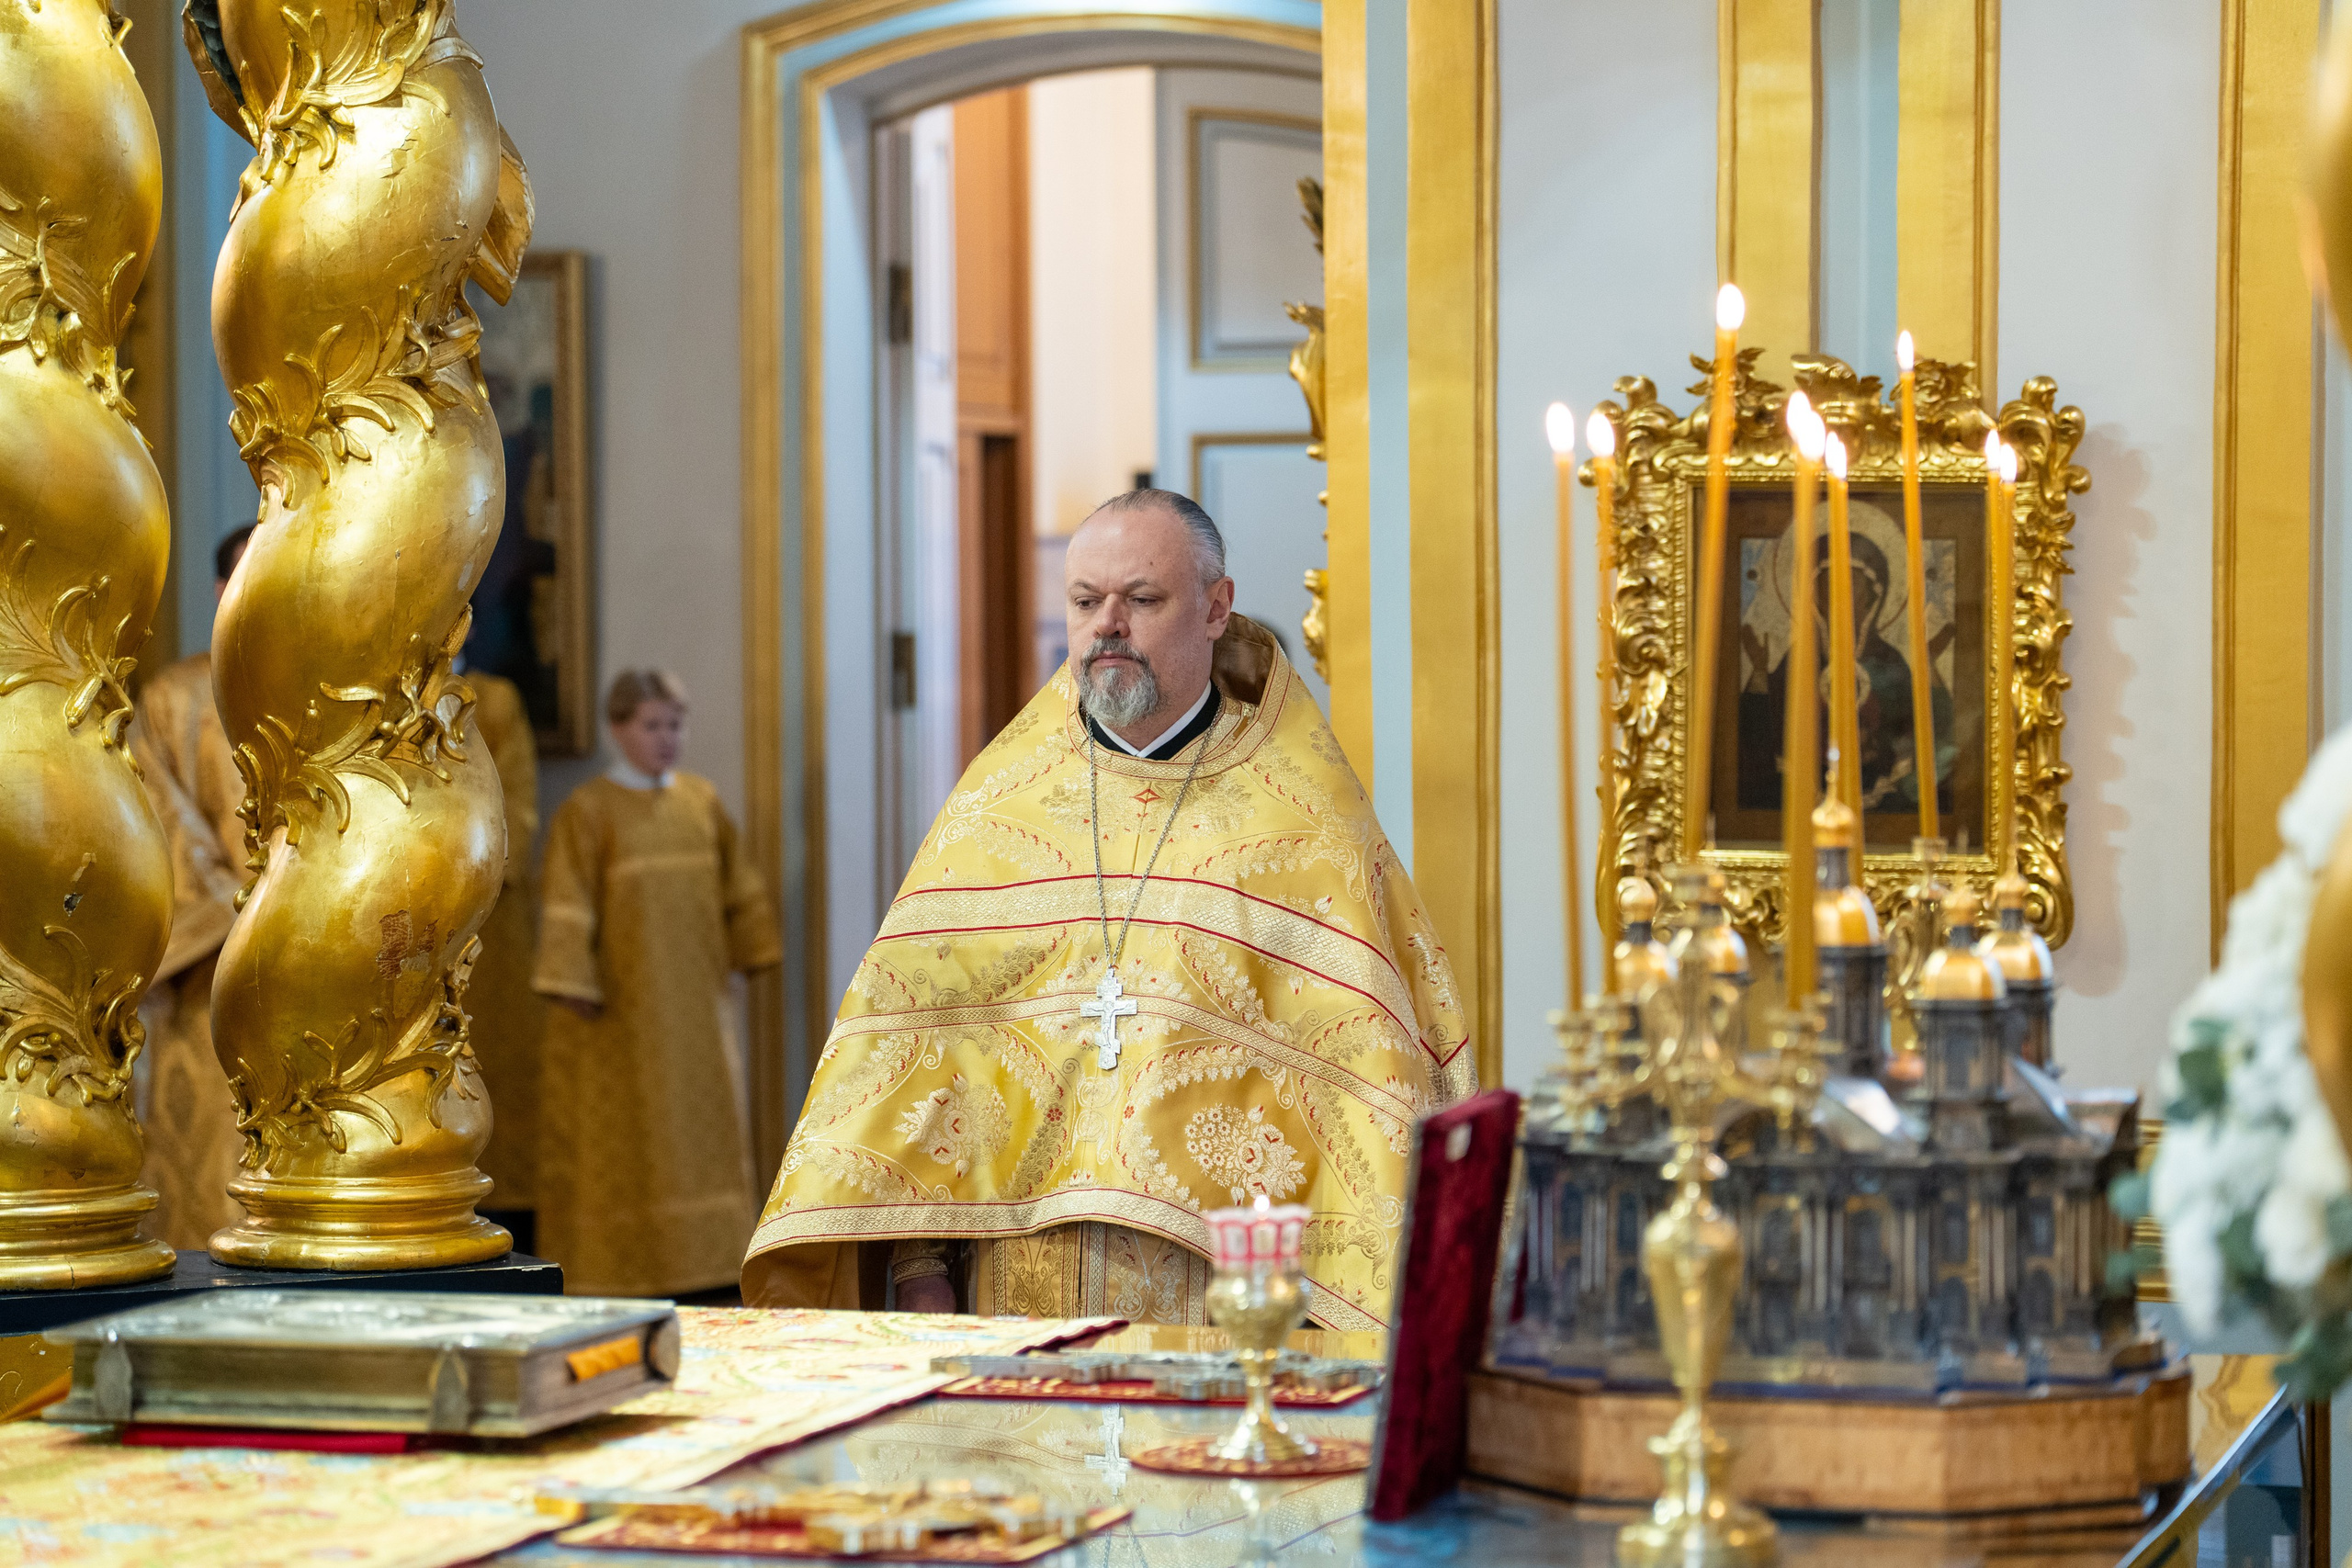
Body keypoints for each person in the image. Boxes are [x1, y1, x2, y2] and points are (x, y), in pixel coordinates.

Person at [741, 489, 1474, 1331]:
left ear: (1215, 607)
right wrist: (919, 1272)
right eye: (1086, 602)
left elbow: (1365, 1088)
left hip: (1222, 1310)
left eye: (1142, 599)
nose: (1108, 625)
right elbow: (921, 1054)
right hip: (1019, 1298)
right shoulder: (998, 808)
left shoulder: (1305, 823)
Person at [532, 671, 784, 1295]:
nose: (665, 738)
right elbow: (568, 905)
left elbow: (741, 895)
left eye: (675, 724)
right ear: (618, 728)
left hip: (697, 1011)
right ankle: (619, 1271)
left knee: (704, 1136)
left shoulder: (701, 802)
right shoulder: (588, 812)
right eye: (651, 725)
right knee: (624, 1147)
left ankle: (712, 1267)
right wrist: (571, 979)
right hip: (617, 1020)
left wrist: (753, 948)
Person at [130, 527, 252, 1250]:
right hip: (210, 972)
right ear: (219, 591)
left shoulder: (327, 688)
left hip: (314, 974)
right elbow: (160, 819)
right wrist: (248, 912)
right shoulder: (175, 697)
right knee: (207, 1166)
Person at [460, 657, 544, 1244]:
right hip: (392, 916)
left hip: (483, 917)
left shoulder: (492, 700)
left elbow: (514, 809)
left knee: (494, 1065)